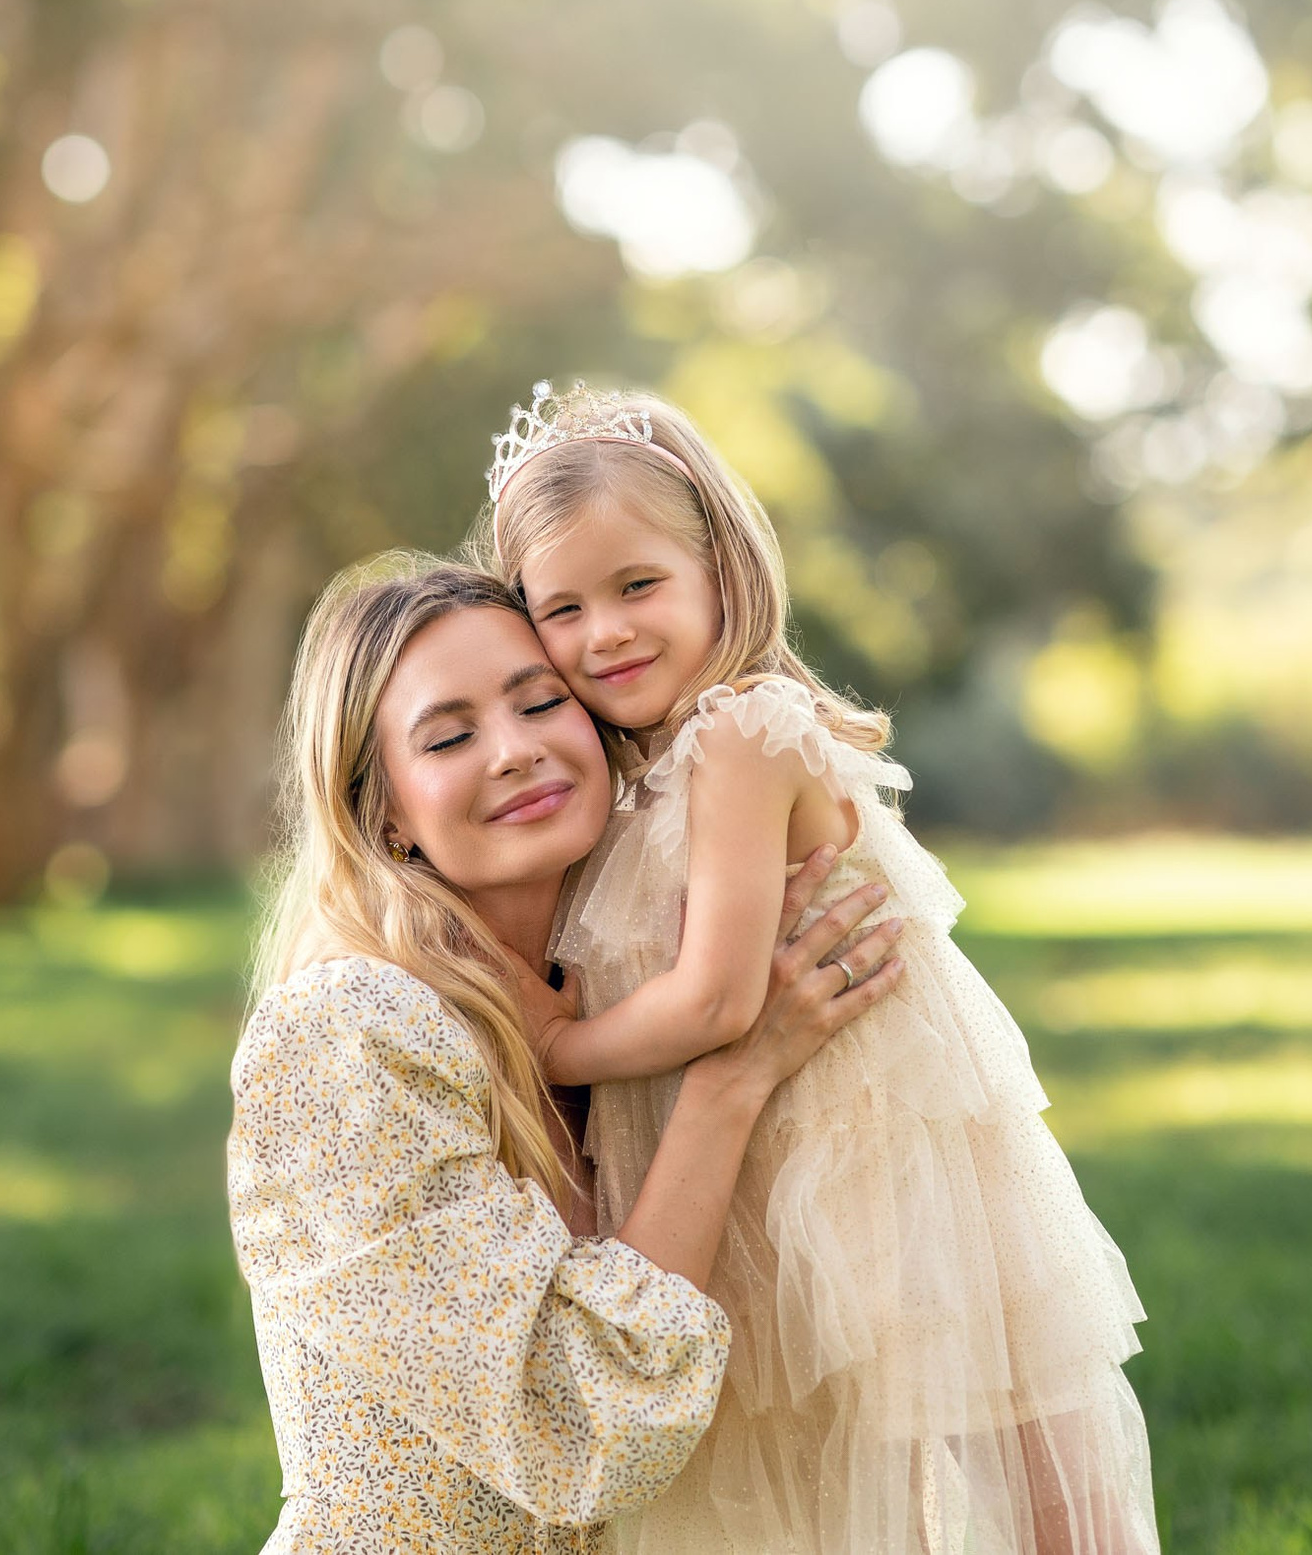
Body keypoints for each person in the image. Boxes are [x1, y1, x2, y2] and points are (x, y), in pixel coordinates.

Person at [485, 383, 1160, 1554]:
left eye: (638, 585)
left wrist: (550, 1044)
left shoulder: (741, 735)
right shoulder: (636, 777)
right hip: (757, 1175)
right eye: (563, 608)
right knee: (816, 1493)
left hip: (868, 1165)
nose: (605, 633)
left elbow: (718, 996)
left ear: (719, 572)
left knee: (1022, 1488)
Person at [228, 559, 907, 1552]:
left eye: (542, 702)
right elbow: (583, 1429)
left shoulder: (625, 997)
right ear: (382, 812)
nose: (515, 750)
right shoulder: (350, 1032)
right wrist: (731, 1079)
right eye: (449, 737)